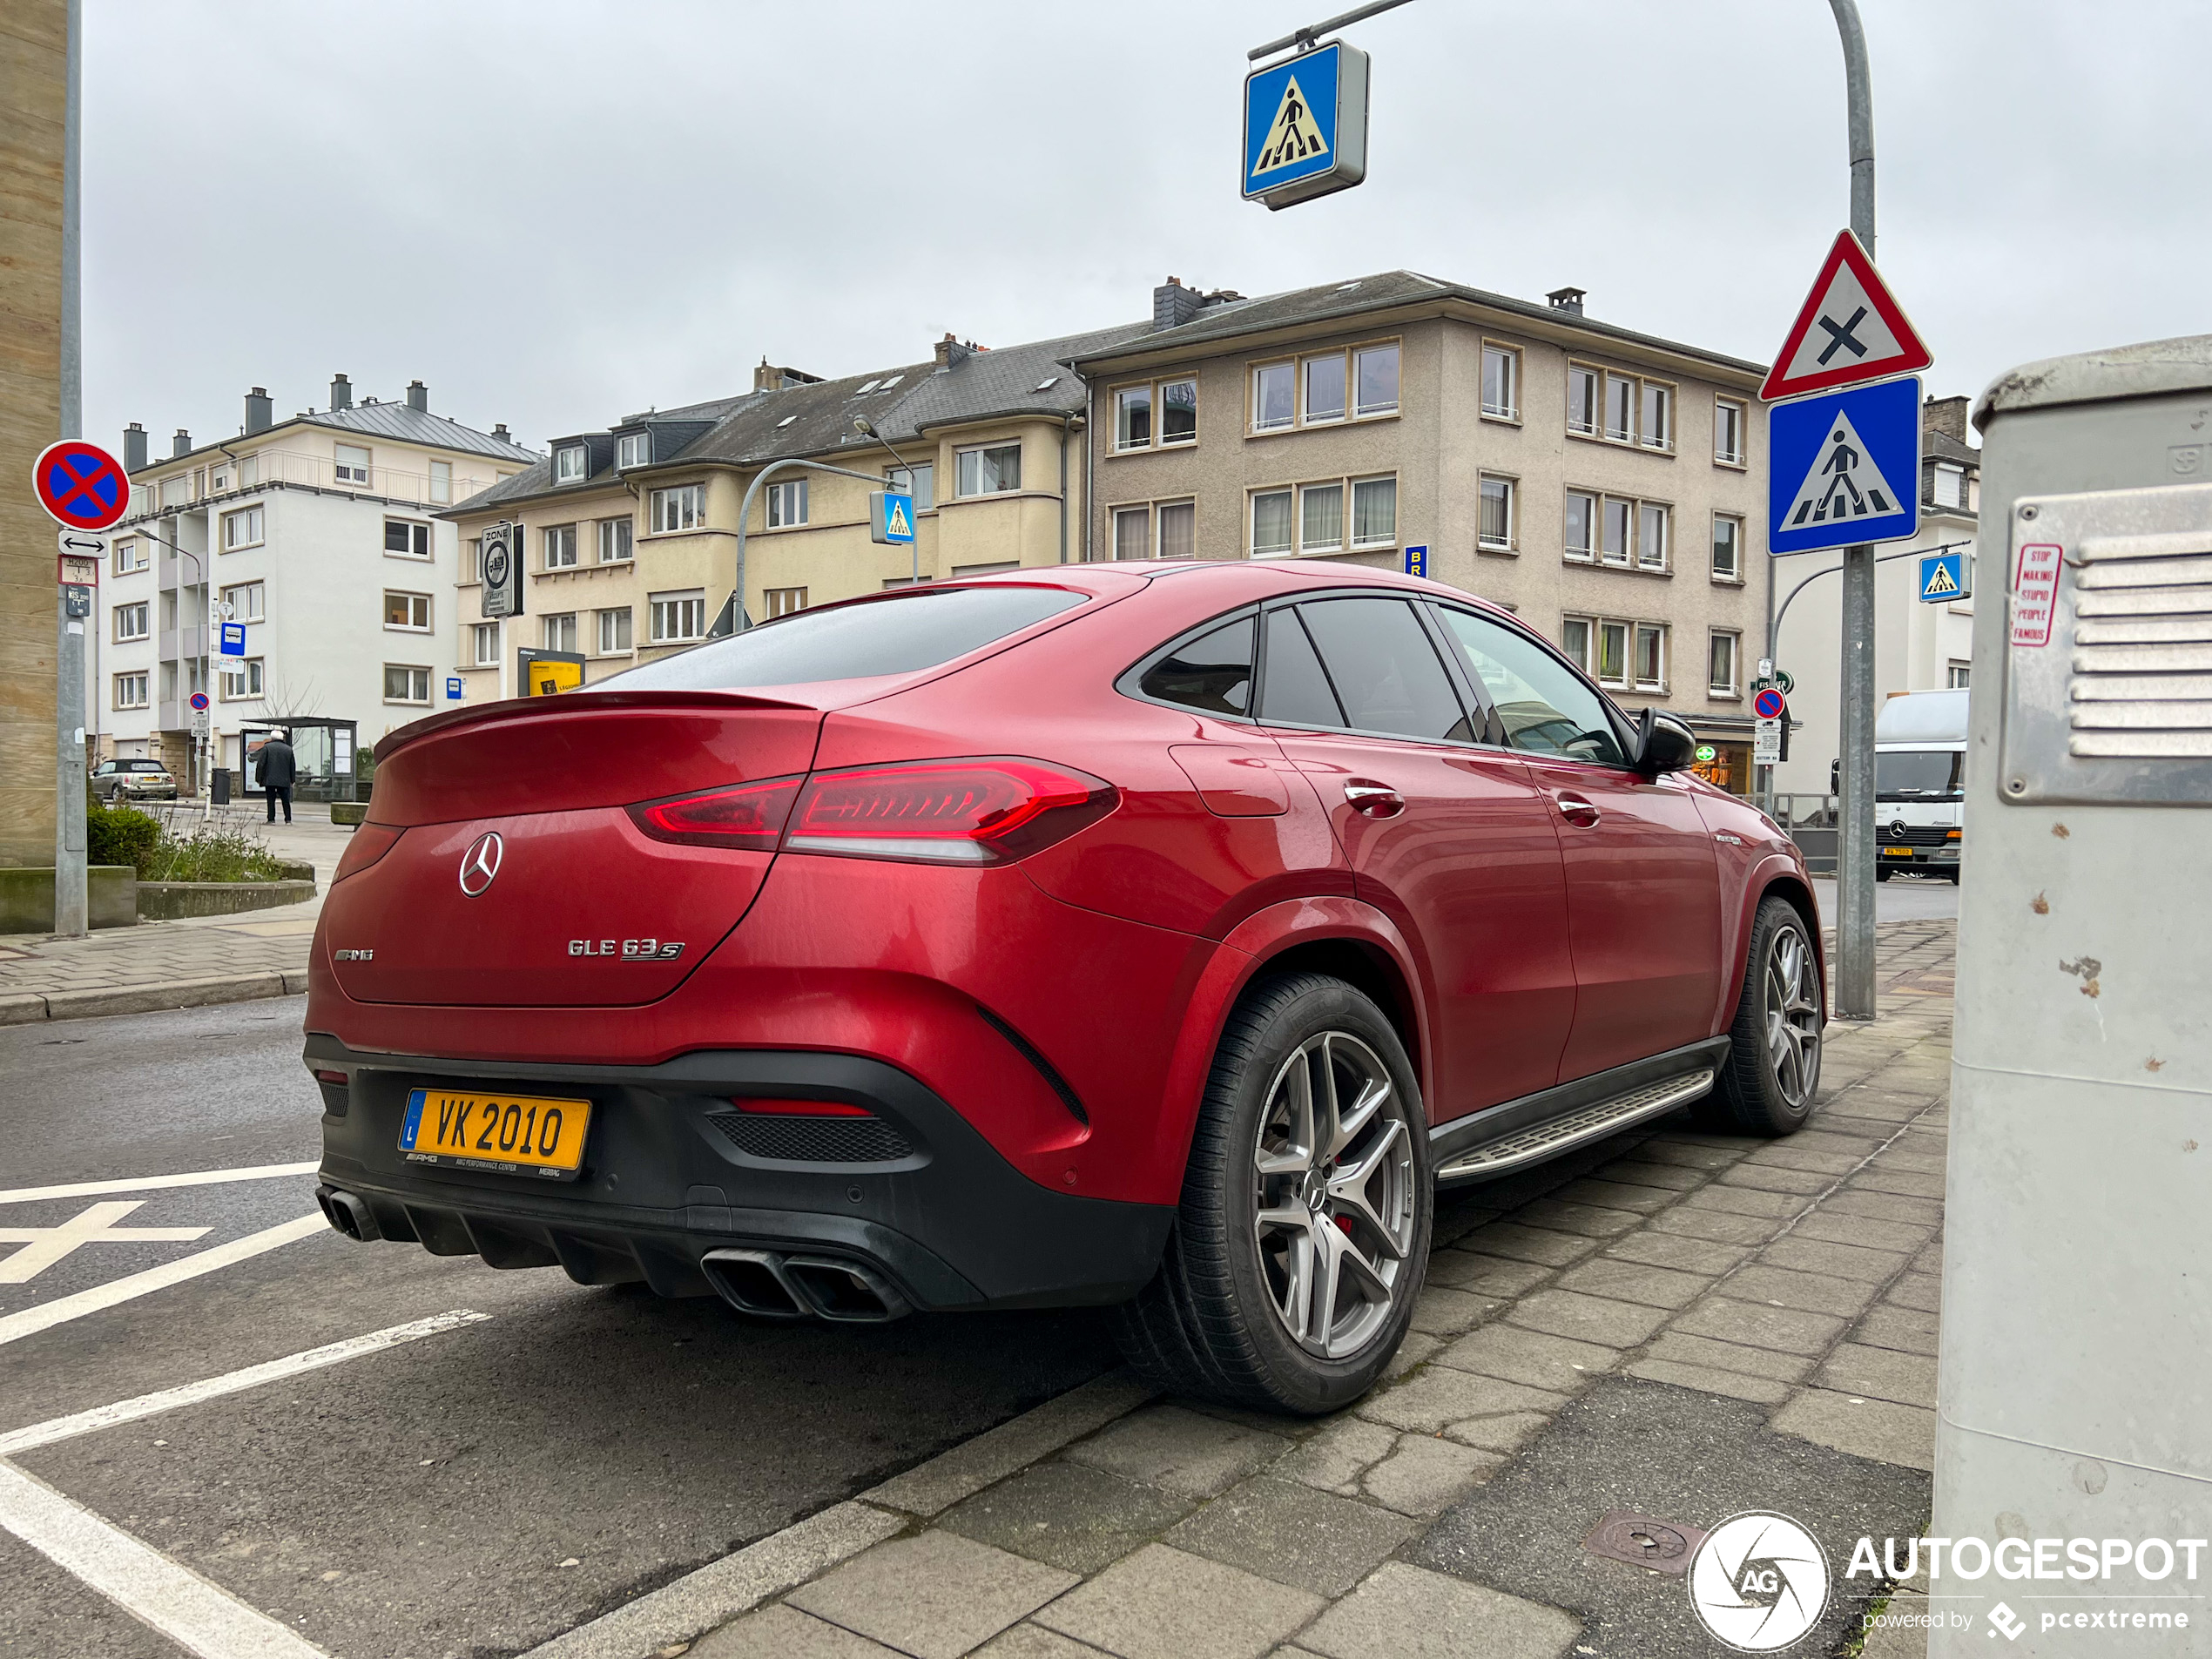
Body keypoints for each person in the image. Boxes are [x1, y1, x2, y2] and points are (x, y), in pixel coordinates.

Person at [255, 729, 297, 824]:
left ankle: (271, 819)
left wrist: (259, 778)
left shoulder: (267, 748)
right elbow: (292, 766)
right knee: (285, 800)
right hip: (285, 780)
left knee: (271, 800)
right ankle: (288, 819)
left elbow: (261, 764)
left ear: (272, 738)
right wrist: (292, 780)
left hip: (270, 779)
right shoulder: (288, 749)